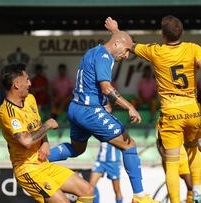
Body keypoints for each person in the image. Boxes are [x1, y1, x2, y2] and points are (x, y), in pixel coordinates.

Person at [105, 15, 201, 203]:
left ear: (163, 35)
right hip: (192, 110)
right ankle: (197, 191)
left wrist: (115, 31)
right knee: (192, 151)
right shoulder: (194, 48)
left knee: (172, 165)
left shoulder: (155, 51)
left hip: (171, 114)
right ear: (181, 32)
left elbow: (129, 45)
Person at [47, 31, 159, 203]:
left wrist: (115, 30)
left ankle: (40, 158)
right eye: (127, 50)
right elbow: (106, 88)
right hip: (89, 111)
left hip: (75, 108)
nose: (127, 55)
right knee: (129, 145)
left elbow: (118, 39)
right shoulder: (105, 57)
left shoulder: (93, 51)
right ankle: (140, 196)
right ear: (116, 44)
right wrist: (129, 106)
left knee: (78, 149)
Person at [0, 63, 94, 203]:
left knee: (87, 190)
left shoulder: (30, 99)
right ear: (17, 84)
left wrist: (46, 143)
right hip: (27, 170)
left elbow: (37, 126)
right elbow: (26, 141)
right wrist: (48, 125)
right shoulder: (7, 112)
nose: (30, 83)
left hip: (43, 163)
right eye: (27, 80)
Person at [156, 132, 201, 203]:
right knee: (175, 187)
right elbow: (159, 143)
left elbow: (193, 142)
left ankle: (190, 201)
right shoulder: (164, 124)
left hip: (183, 160)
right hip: (171, 159)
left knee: (190, 186)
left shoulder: (183, 124)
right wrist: (164, 157)